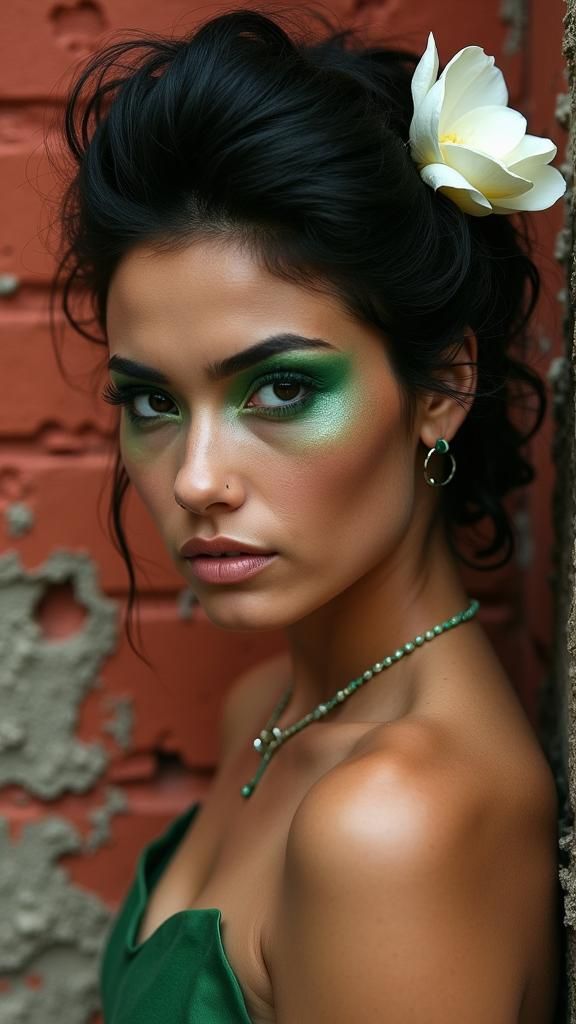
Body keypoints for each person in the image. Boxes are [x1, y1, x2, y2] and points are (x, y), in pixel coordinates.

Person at [52, 8, 566, 1022]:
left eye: (280, 390)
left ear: (442, 387)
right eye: (151, 400)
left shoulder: (396, 823)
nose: (196, 480)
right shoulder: (267, 709)